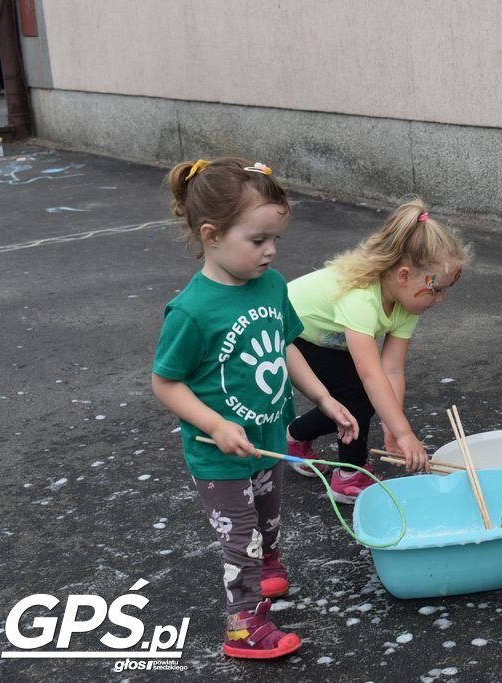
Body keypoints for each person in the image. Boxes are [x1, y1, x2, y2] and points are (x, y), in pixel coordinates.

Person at [151, 157, 359, 659]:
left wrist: (323, 397)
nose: (269, 251)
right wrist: (215, 423)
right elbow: (165, 383)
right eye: (257, 240)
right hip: (218, 451)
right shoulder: (192, 311)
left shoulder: (269, 285)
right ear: (211, 235)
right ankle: (242, 625)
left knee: (268, 519)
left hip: (266, 438)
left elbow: (286, 345)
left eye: (275, 240)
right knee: (239, 537)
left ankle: (268, 565)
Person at [285, 198, 470, 501]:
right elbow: (372, 376)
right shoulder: (360, 298)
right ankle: (349, 475)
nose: (440, 299)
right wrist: (404, 432)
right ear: (403, 275)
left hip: (325, 338)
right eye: (436, 289)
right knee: (358, 392)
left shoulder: (407, 303)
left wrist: (391, 423)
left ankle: (295, 437)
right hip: (288, 332)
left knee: (367, 398)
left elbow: (392, 370)